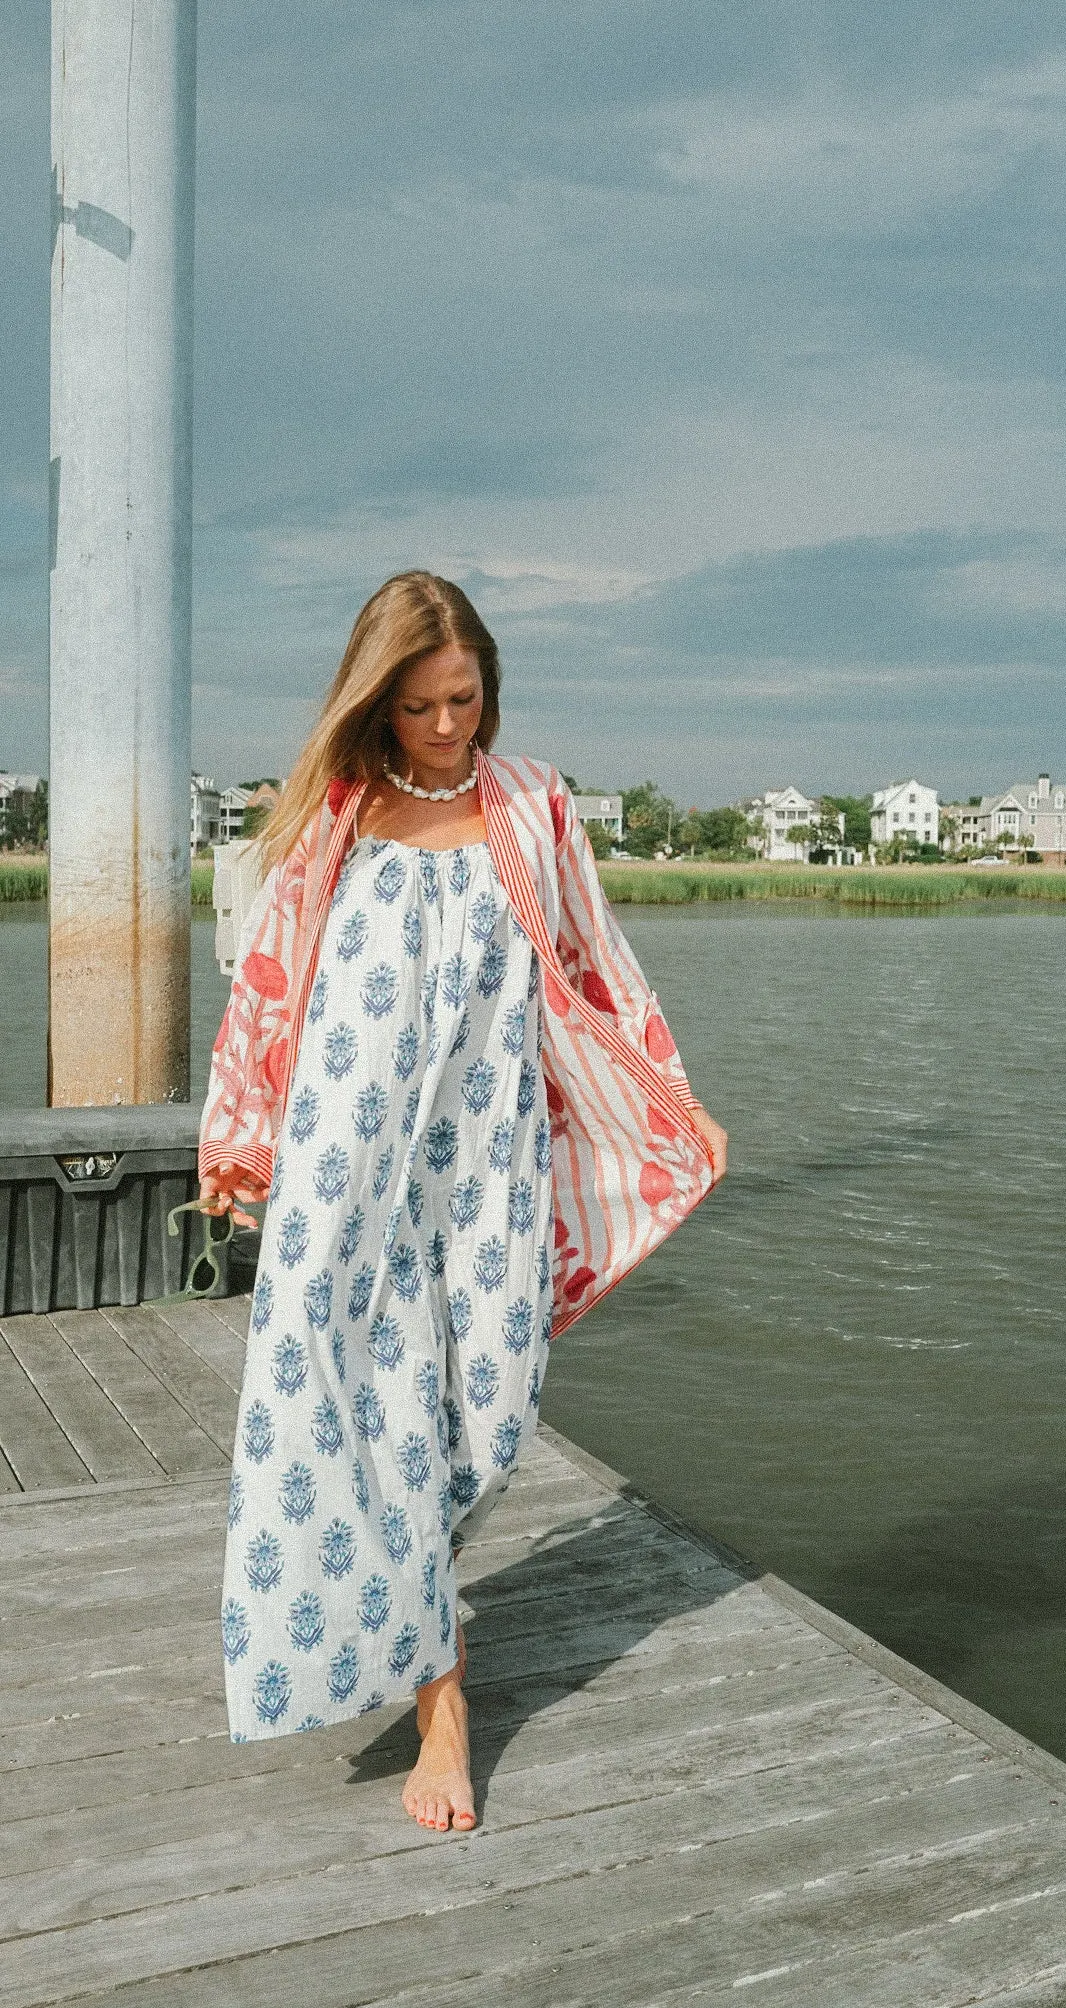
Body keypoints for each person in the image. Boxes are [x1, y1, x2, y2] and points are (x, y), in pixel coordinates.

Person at [199, 571, 727, 1832]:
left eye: (465, 698)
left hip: (488, 1158)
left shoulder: (532, 805)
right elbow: (270, 985)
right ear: (376, 701)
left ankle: (400, 1607)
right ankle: (446, 1707)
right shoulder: (331, 810)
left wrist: (674, 1096)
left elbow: (599, 964)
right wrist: (238, 1136)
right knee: (362, 1410)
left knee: (487, 1415)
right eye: (423, 704)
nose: (448, 726)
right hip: (347, 1164)